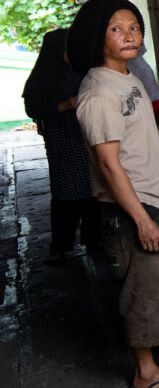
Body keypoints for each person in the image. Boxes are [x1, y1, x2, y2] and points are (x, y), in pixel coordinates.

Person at [67, 0, 159, 388]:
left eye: (134, 27)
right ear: (98, 37)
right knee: (144, 293)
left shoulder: (129, 79)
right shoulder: (97, 93)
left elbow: (144, 145)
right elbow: (111, 165)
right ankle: (146, 372)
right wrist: (141, 220)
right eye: (116, 29)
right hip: (130, 210)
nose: (129, 35)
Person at [21, 28, 100, 262]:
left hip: (88, 138)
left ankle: (93, 238)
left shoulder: (84, 70)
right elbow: (32, 108)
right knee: (66, 196)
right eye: (67, 49)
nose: (71, 53)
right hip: (63, 142)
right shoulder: (42, 77)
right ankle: (59, 246)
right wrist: (62, 107)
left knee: (94, 192)